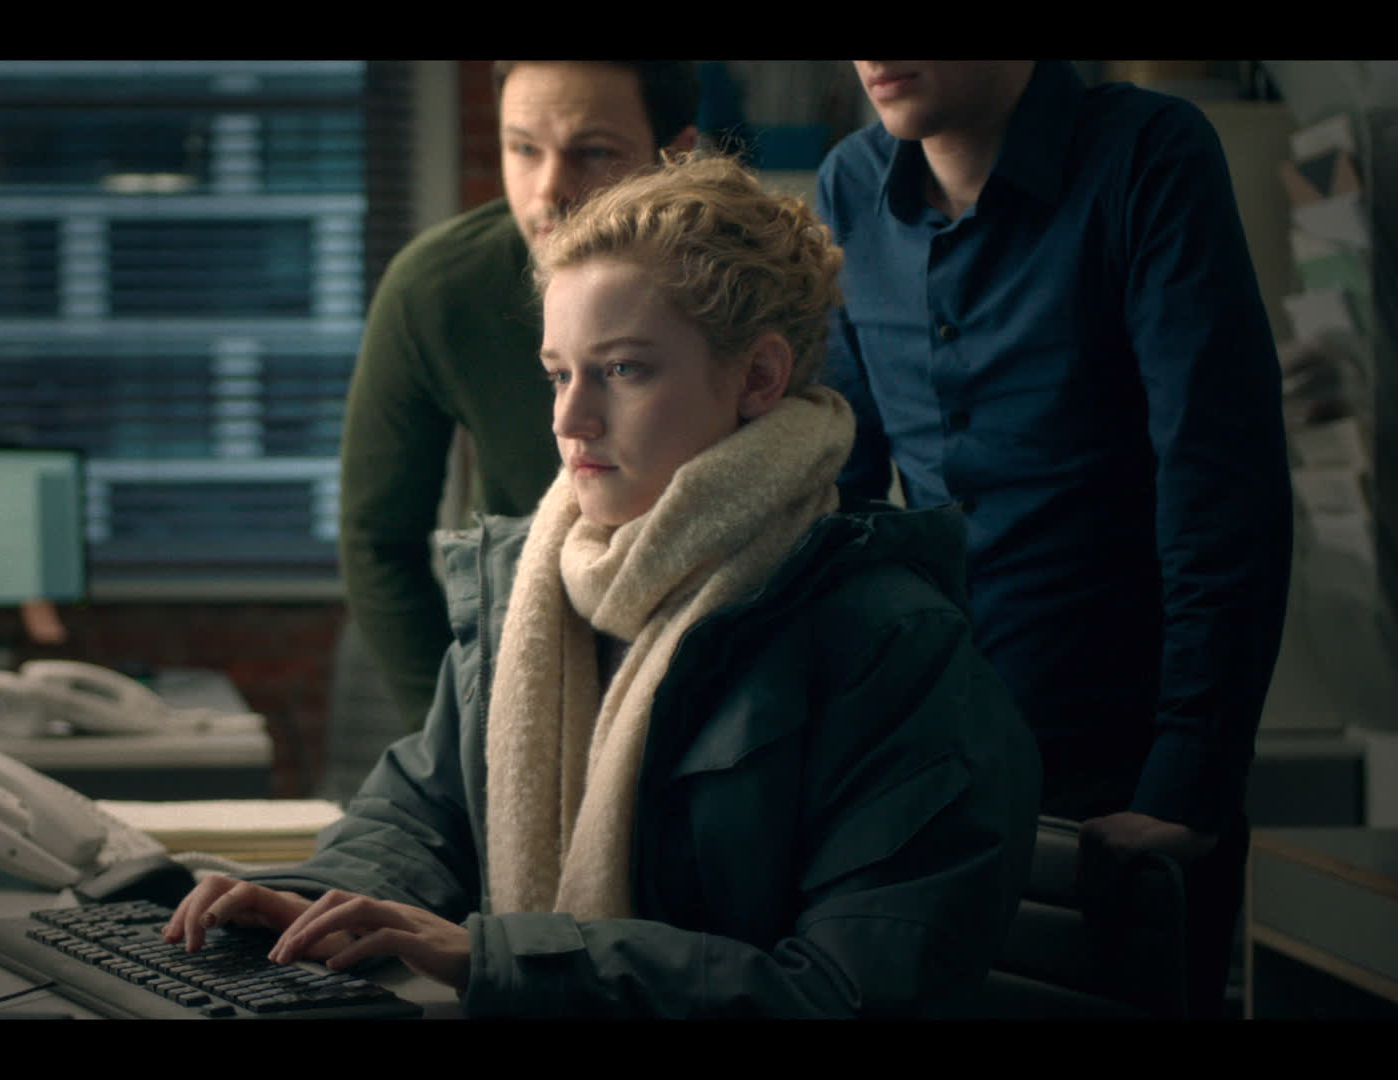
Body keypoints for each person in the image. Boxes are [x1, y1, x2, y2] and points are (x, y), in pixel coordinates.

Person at [164, 151, 1041, 1018]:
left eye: (623, 370)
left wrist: (502, 961)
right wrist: (309, 899)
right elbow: (421, 817)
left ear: (759, 378)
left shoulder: (893, 646)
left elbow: (849, 994)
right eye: (559, 373)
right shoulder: (530, 589)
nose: (569, 418)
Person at [816, 60, 1293, 1017]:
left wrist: (1188, 782)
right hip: (925, 778)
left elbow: (1219, 480)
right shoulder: (849, 185)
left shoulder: (1148, 156)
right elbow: (841, 495)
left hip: (1123, 782)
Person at [338, 61, 701, 731]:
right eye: (524, 149)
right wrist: (456, 736)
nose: (549, 189)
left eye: (594, 153)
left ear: (674, 156)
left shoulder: (737, 285)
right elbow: (377, 539)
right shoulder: (440, 290)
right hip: (526, 650)